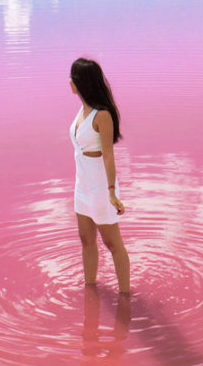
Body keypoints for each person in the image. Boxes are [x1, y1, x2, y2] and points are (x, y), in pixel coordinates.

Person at [69, 57, 130, 295]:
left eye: (72, 77)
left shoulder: (101, 115)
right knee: (86, 240)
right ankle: (90, 289)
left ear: (81, 82)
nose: (69, 81)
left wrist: (112, 192)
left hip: (100, 187)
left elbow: (108, 155)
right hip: (82, 186)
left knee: (112, 243)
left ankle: (125, 295)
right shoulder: (82, 110)